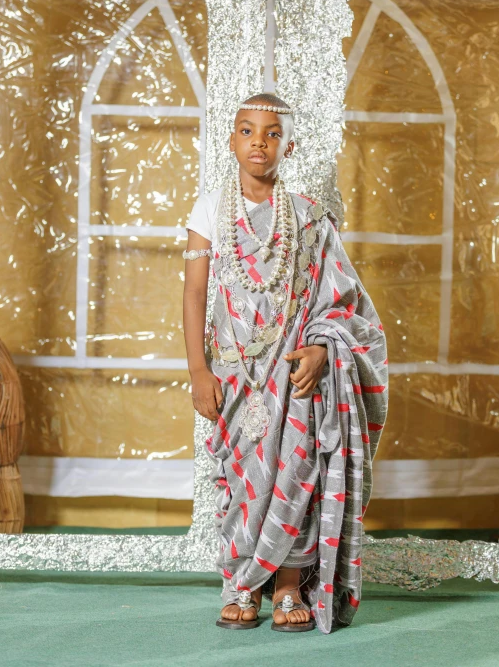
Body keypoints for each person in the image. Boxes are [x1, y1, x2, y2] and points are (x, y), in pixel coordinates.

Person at [182, 92, 388, 634]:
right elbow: (194, 295)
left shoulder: (309, 218)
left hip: (293, 371)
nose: (259, 142)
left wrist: (323, 348)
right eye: (247, 131)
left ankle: (291, 587)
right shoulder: (209, 209)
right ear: (231, 140)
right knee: (242, 473)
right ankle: (242, 584)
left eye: (271, 133)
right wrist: (198, 370)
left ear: (288, 144)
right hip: (233, 371)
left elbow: (342, 301)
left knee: (297, 470)